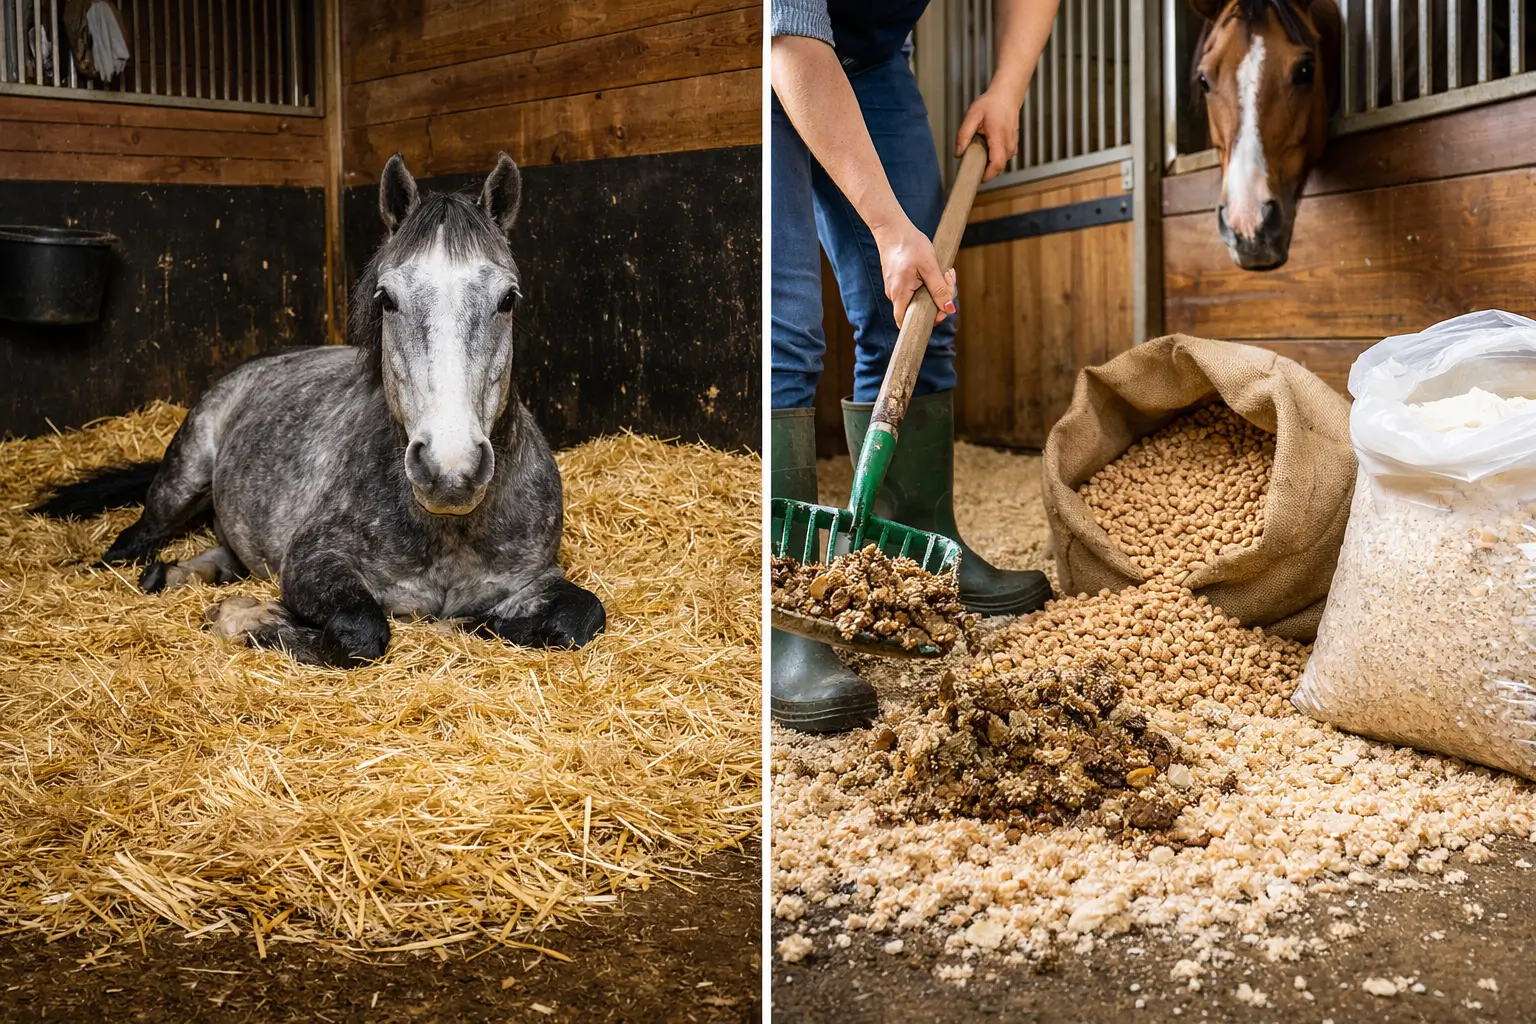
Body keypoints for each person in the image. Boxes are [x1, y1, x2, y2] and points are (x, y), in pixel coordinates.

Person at [770, 0, 1060, 732]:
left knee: (921, 309)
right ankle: (782, 622)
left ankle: (917, 551)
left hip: (871, 59)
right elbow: (792, 41)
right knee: (787, 326)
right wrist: (889, 228)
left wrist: (1008, 87)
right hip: (772, 45)